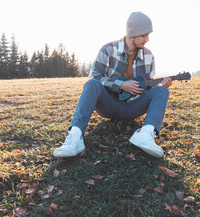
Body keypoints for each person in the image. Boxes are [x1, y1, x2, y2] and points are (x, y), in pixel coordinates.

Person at [53, 11, 172, 158]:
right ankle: (75, 137)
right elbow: (95, 76)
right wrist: (120, 85)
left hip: (132, 107)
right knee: (91, 84)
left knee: (162, 92)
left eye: (148, 35)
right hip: (108, 105)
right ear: (132, 33)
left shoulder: (149, 56)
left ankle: (146, 135)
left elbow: (147, 86)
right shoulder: (108, 49)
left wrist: (160, 87)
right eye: (143, 35)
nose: (147, 39)